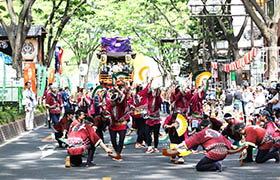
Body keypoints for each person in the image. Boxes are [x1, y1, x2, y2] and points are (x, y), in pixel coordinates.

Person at [106, 85, 129, 161]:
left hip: (122, 125)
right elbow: (106, 112)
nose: (111, 103)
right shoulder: (109, 106)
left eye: (112, 102)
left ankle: (118, 154)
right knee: (113, 140)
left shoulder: (121, 105)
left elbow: (123, 96)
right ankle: (116, 152)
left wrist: (118, 90)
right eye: (110, 101)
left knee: (121, 140)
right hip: (113, 126)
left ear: (116, 101)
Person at [145, 79, 162, 153]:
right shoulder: (149, 96)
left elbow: (154, 106)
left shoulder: (159, 99)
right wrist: (151, 82)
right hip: (149, 118)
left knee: (156, 134)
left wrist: (155, 96)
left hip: (156, 119)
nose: (154, 92)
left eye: (156, 91)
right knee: (147, 132)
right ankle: (149, 146)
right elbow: (148, 89)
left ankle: (155, 146)